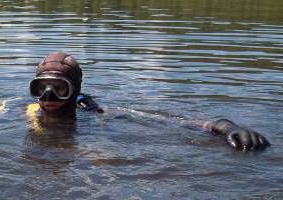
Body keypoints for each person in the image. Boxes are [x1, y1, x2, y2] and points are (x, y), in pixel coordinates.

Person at [27, 51, 270, 151]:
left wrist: (224, 125)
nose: (48, 97)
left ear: (74, 90)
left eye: (59, 88)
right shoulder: (23, 112)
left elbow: (163, 119)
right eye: (41, 88)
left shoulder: (96, 114)